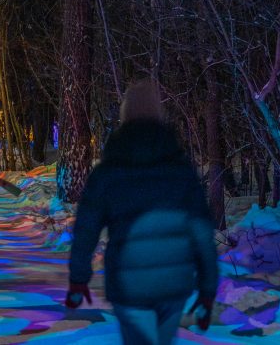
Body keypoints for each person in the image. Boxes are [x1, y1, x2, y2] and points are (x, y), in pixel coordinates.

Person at [66, 79, 219, 345]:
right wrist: (207, 288)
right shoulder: (180, 170)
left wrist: (79, 278)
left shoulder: (109, 171)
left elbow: (86, 228)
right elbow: (202, 232)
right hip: (174, 283)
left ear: (124, 116)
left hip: (129, 283)